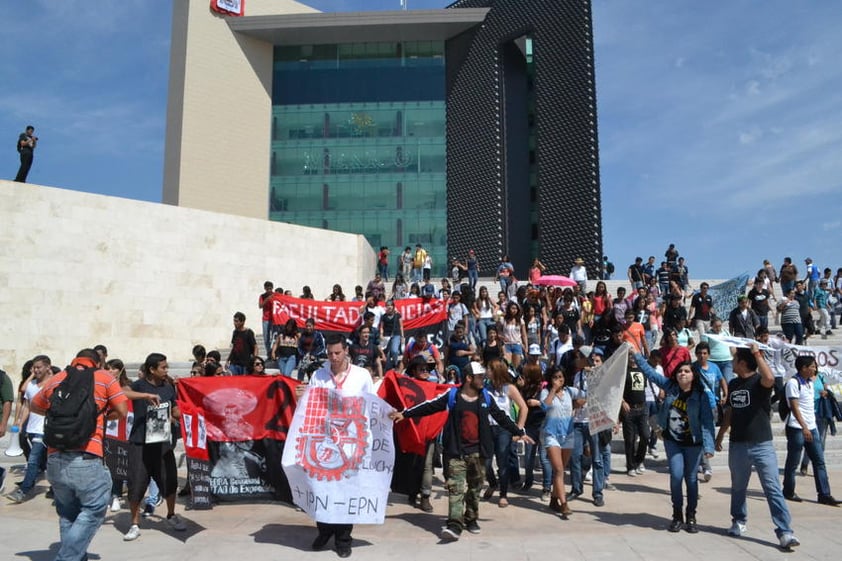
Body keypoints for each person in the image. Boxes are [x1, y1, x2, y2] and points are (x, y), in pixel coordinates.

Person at [390, 361, 532, 540]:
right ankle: (454, 525)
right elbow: (429, 406)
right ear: (469, 378)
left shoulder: (486, 397)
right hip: (456, 452)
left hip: (478, 453)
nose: (483, 380)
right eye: (479, 377)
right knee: (456, 489)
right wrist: (405, 414)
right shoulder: (452, 396)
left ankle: (471, 519)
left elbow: (502, 417)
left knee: (474, 489)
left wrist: (519, 432)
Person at [30, 349, 129, 561]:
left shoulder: (58, 378)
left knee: (67, 514)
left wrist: (60, 415)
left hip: (55, 457)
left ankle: (74, 557)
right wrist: (98, 416)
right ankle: (66, 558)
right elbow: (122, 410)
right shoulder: (103, 377)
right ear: (98, 362)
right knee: (94, 509)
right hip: (86, 456)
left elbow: (34, 405)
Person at [715, 346, 800, 551]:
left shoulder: (760, 383)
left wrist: (756, 354)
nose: (732, 362)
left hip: (762, 444)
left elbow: (770, 378)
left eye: (735, 359)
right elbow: (730, 412)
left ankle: (784, 531)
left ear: (743, 363)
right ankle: (739, 520)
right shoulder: (734, 384)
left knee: (771, 488)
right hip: (738, 444)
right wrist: (721, 434)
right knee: (738, 487)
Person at [298, 334, 375, 557]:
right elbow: (310, 407)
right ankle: (324, 530)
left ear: (346, 351)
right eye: (330, 353)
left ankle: (343, 539)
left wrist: (366, 440)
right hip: (323, 444)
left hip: (351, 444)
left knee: (345, 492)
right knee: (322, 489)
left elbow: (371, 405)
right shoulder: (319, 376)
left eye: (337, 353)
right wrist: (300, 398)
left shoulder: (361, 376)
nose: (333, 357)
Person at [635, 353, 715, 532]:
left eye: (687, 371)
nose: (682, 374)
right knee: (676, 476)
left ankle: (691, 516)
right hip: (673, 441)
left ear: (693, 375)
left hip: (693, 442)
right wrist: (636, 356)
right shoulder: (670, 387)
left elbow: (708, 421)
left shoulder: (700, 395)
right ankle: (677, 515)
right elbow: (650, 373)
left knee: (692, 479)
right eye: (680, 371)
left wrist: (709, 446)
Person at [123, 353, 186, 541]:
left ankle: (171, 515)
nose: (166, 370)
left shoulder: (168, 388)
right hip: (139, 444)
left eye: (167, 367)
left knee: (169, 480)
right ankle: (134, 523)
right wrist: (145, 396)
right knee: (136, 482)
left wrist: (182, 412)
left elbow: (174, 410)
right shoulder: (139, 385)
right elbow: (121, 393)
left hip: (162, 443)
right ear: (152, 369)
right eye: (163, 367)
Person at [781, 355, 840, 506]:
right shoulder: (793, 383)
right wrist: (804, 427)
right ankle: (788, 490)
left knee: (819, 461)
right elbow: (794, 407)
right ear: (804, 368)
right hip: (797, 428)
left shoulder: (809, 383)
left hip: (811, 426)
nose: (815, 369)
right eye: (812, 366)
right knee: (793, 462)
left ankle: (824, 494)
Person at [5, 355, 53, 503]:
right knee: (43, 461)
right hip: (31, 429)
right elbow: (27, 405)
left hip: (44, 429)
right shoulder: (31, 385)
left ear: (47, 367)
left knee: (33, 460)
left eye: (39, 367)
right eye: (35, 367)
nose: (36, 370)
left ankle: (24, 490)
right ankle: (52, 487)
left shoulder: (52, 385)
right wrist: (20, 422)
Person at [481, 358, 528, 508]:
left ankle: (503, 494)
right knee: (486, 462)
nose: (486, 371)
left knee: (503, 462)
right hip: (487, 428)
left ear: (496, 371)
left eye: (489, 368)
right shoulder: (484, 388)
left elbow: (523, 408)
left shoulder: (509, 388)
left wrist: (518, 429)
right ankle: (492, 483)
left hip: (504, 430)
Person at [259, 281, 277, 357]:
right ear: (265, 288)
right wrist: (267, 299)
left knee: (273, 337)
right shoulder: (262, 296)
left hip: (274, 319)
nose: (269, 290)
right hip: (265, 319)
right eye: (267, 289)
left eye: (270, 288)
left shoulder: (275, 295)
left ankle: (273, 352)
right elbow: (260, 306)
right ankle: (268, 353)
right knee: (266, 338)